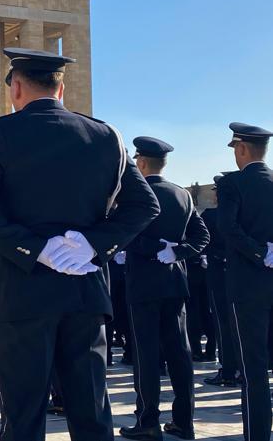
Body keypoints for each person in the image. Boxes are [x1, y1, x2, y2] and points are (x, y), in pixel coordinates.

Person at [0, 48, 160, 441]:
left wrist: (34, 249)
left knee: (23, 418)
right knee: (92, 417)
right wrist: (91, 245)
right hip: (83, 292)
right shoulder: (104, 134)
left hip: (22, 292)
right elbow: (143, 205)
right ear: (61, 88)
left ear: (16, 87)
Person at [120, 137, 210, 441]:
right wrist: (177, 252)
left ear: (141, 163)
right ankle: (184, 422)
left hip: (144, 285)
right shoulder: (182, 195)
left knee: (146, 357)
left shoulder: (133, 197)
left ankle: (148, 421)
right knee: (180, 354)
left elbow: (126, 237)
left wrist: (154, 247)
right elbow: (202, 236)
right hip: (174, 283)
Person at [217, 122, 273, 441]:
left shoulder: (233, 184)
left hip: (249, 287)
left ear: (241, 149)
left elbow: (227, 226)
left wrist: (259, 252)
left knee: (254, 370)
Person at [203, 174, 242, 387]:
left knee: (223, 323)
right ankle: (238, 368)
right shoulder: (244, 213)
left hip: (220, 274)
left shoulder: (211, 216)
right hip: (239, 273)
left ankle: (228, 369)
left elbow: (203, 242)